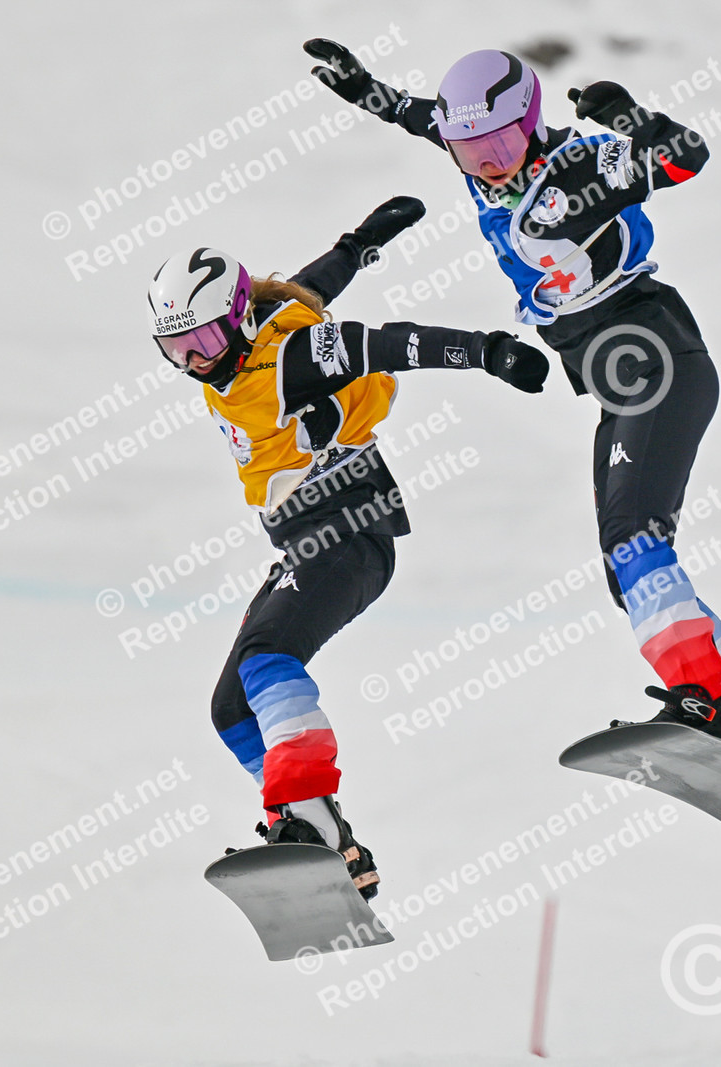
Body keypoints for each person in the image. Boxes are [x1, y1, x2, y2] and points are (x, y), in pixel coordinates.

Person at [302, 41, 721, 761]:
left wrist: (633, 120)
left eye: (502, 145)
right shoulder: (482, 164)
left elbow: (686, 157)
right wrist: (364, 89)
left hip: (654, 354)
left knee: (634, 541)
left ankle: (707, 698)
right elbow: (421, 117)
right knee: (627, 571)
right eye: (470, 152)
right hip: (620, 381)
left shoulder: (580, 165)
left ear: (532, 124)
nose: (489, 166)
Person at [146, 195, 548, 897]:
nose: (194, 363)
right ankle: (327, 838)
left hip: (349, 532)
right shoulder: (251, 332)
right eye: (175, 350)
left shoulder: (292, 359)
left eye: (204, 342)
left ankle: (305, 823)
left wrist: (487, 351)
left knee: (267, 659)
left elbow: (393, 343)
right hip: (311, 540)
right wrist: (359, 243)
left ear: (235, 319)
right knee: (232, 709)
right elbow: (308, 287)